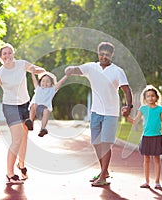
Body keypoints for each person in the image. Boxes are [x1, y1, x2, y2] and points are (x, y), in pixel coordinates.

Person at [65, 42, 133, 187]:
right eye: (101, 54)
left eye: (107, 55)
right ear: (98, 53)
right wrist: (70, 69)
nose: (104, 57)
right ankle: (105, 171)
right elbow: (77, 70)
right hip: (95, 111)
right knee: (96, 143)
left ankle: (102, 176)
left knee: (106, 144)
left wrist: (129, 106)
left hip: (111, 113)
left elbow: (126, 90)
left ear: (111, 55)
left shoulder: (117, 71)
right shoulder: (91, 67)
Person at [0, 43, 45, 183]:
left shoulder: (22, 64)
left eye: (9, 53)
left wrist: (42, 71)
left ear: (13, 54)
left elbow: (34, 69)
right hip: (10, 107)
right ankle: (10, 174)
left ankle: (21, 165)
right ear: (1, 57)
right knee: (17, 138)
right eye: (4, 54)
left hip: (25, 104)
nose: (7, 56)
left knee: (24, 136)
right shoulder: (0, 74)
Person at [124, 85, 162, 190]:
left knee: (157, 159)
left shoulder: (160, 109)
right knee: (146, 159)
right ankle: (147, 181)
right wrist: (126, 116)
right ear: (145, 98)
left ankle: (157, 182)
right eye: (148, 96)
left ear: (156, 97)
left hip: (157, 137)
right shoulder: (143, 109)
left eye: (152, 96)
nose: (150, 98)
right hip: (146, 137)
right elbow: (135, 121)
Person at [25, 71, 67, 137]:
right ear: (40, 82)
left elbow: (60, 83)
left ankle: (42, 128)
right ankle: (30, 122)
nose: (45, 83)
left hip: (44, 109)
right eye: (43, 81)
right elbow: (34, 80)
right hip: (36, 108)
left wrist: (66, 75)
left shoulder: (52, 90)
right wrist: (32, 73)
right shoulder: (38, 88)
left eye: (47, 82)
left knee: (46, 111)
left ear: (51, 84)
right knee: (34, 104)